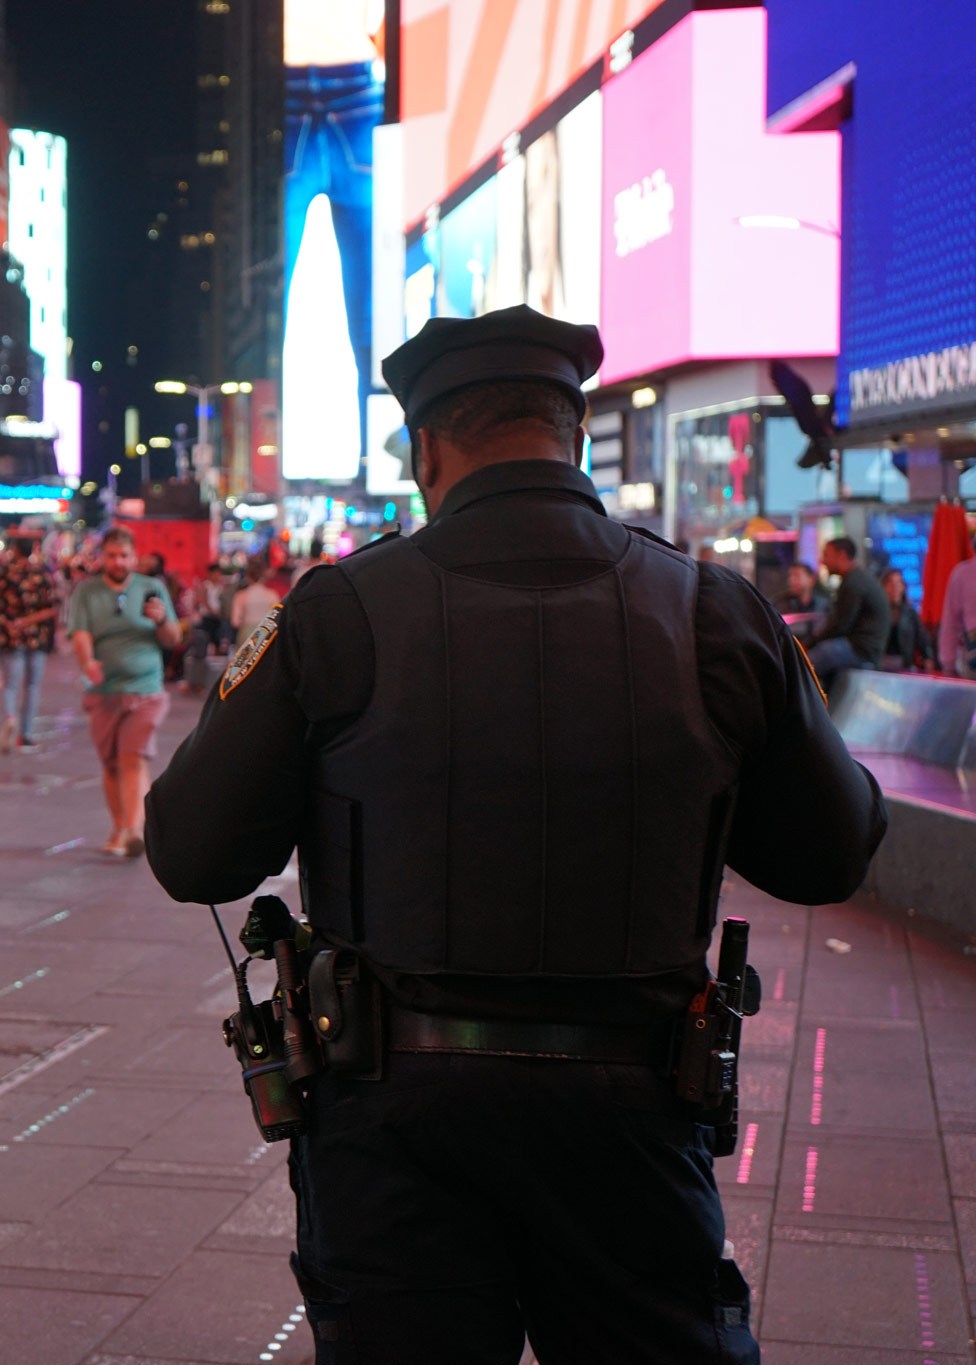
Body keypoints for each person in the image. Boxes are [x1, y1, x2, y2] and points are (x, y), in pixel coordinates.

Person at [144, 306, 887, 1364]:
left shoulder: (333, 615)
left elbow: (191, 852)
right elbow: (829, 854)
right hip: (634, 1114)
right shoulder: (717, 616)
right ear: (575, 434)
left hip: (392, 1128)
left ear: (425, 449)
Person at [66, 527, 183, 858]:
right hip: (104, 690)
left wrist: (161, 621)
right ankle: (119, 827)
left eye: (124, 555)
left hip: (146, 689)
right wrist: (87, 662)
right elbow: (81, 634)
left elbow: (173, 639)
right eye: (112, 555)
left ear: (135, 557)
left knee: (133, 757)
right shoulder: (86, 592)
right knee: (111, 763)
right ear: (103, 557)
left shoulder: (152, 589)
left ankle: (133, 830)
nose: (118, 562)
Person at [0, 535, 59, 752]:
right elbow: (51, 608)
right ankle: (25, 735)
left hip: (11, 636)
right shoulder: (41, 574)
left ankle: (10, 717)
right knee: (32, 686)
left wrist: (11, 624)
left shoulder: (3, 573)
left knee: (10, 685)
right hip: (36, 637)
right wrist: (29, 621)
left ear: (15, 550)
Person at [806, 536, 890, 683]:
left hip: (861, 651)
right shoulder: (858, 578)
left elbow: (839, 625)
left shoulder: (853, 583)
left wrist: (809, 644)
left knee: (807, 663)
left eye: (827, 555)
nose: (822, 561)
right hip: (865, 648)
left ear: (842, 555)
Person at [880, 569, 938, 673]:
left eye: (898, 583)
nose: (894, 588)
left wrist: (928, 658)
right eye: (890, 583)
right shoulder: (876, 613)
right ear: (884, 587)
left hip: (904, 665)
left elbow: (922, 639)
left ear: (903, 587)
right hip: (880, 665)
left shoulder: (910, 614)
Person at [940, 536, 976, 680]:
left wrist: (948, 664)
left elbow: (950, 623)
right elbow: (951, 623)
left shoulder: (961, 574)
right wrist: (948, 663)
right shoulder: (961, 574)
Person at [228, 559, 278, 641]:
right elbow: (276, 620)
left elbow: (235, 622)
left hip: (247, 635)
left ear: (247, 576)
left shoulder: (241, 596)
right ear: (263, 575)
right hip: (266, 636)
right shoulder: (272, 595)